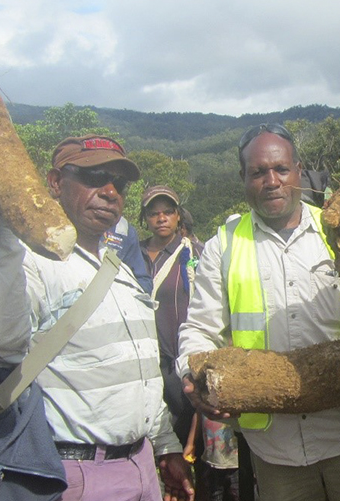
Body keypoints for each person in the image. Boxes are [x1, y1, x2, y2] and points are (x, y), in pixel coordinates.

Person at [0, 134, 193, 501]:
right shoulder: (26, 261)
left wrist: (165, 445)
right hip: (77, 475)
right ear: (55, 183)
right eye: (95, 177)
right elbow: (1, 336)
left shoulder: (120, 269)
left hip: (141, 465)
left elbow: (138, 373)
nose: (111, 191)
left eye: (120, 182)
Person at [177, 123, 340, 501]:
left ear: (298, 171)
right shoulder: (222, 246)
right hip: (275, 450)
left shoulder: (338, 232)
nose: (271, 181)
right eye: (258, 172)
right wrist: (193, 377)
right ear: (243, 178)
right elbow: (199, 330)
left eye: (281, 169)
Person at [139, 185, 238, 500]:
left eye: (167, 212)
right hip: (148, 365)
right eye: (154, 213)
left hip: (183, 363)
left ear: (177, 215)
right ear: (144, 219)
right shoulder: (133, 256)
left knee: (198, 445)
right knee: (162, 448)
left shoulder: (192, 253)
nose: (161, 219)